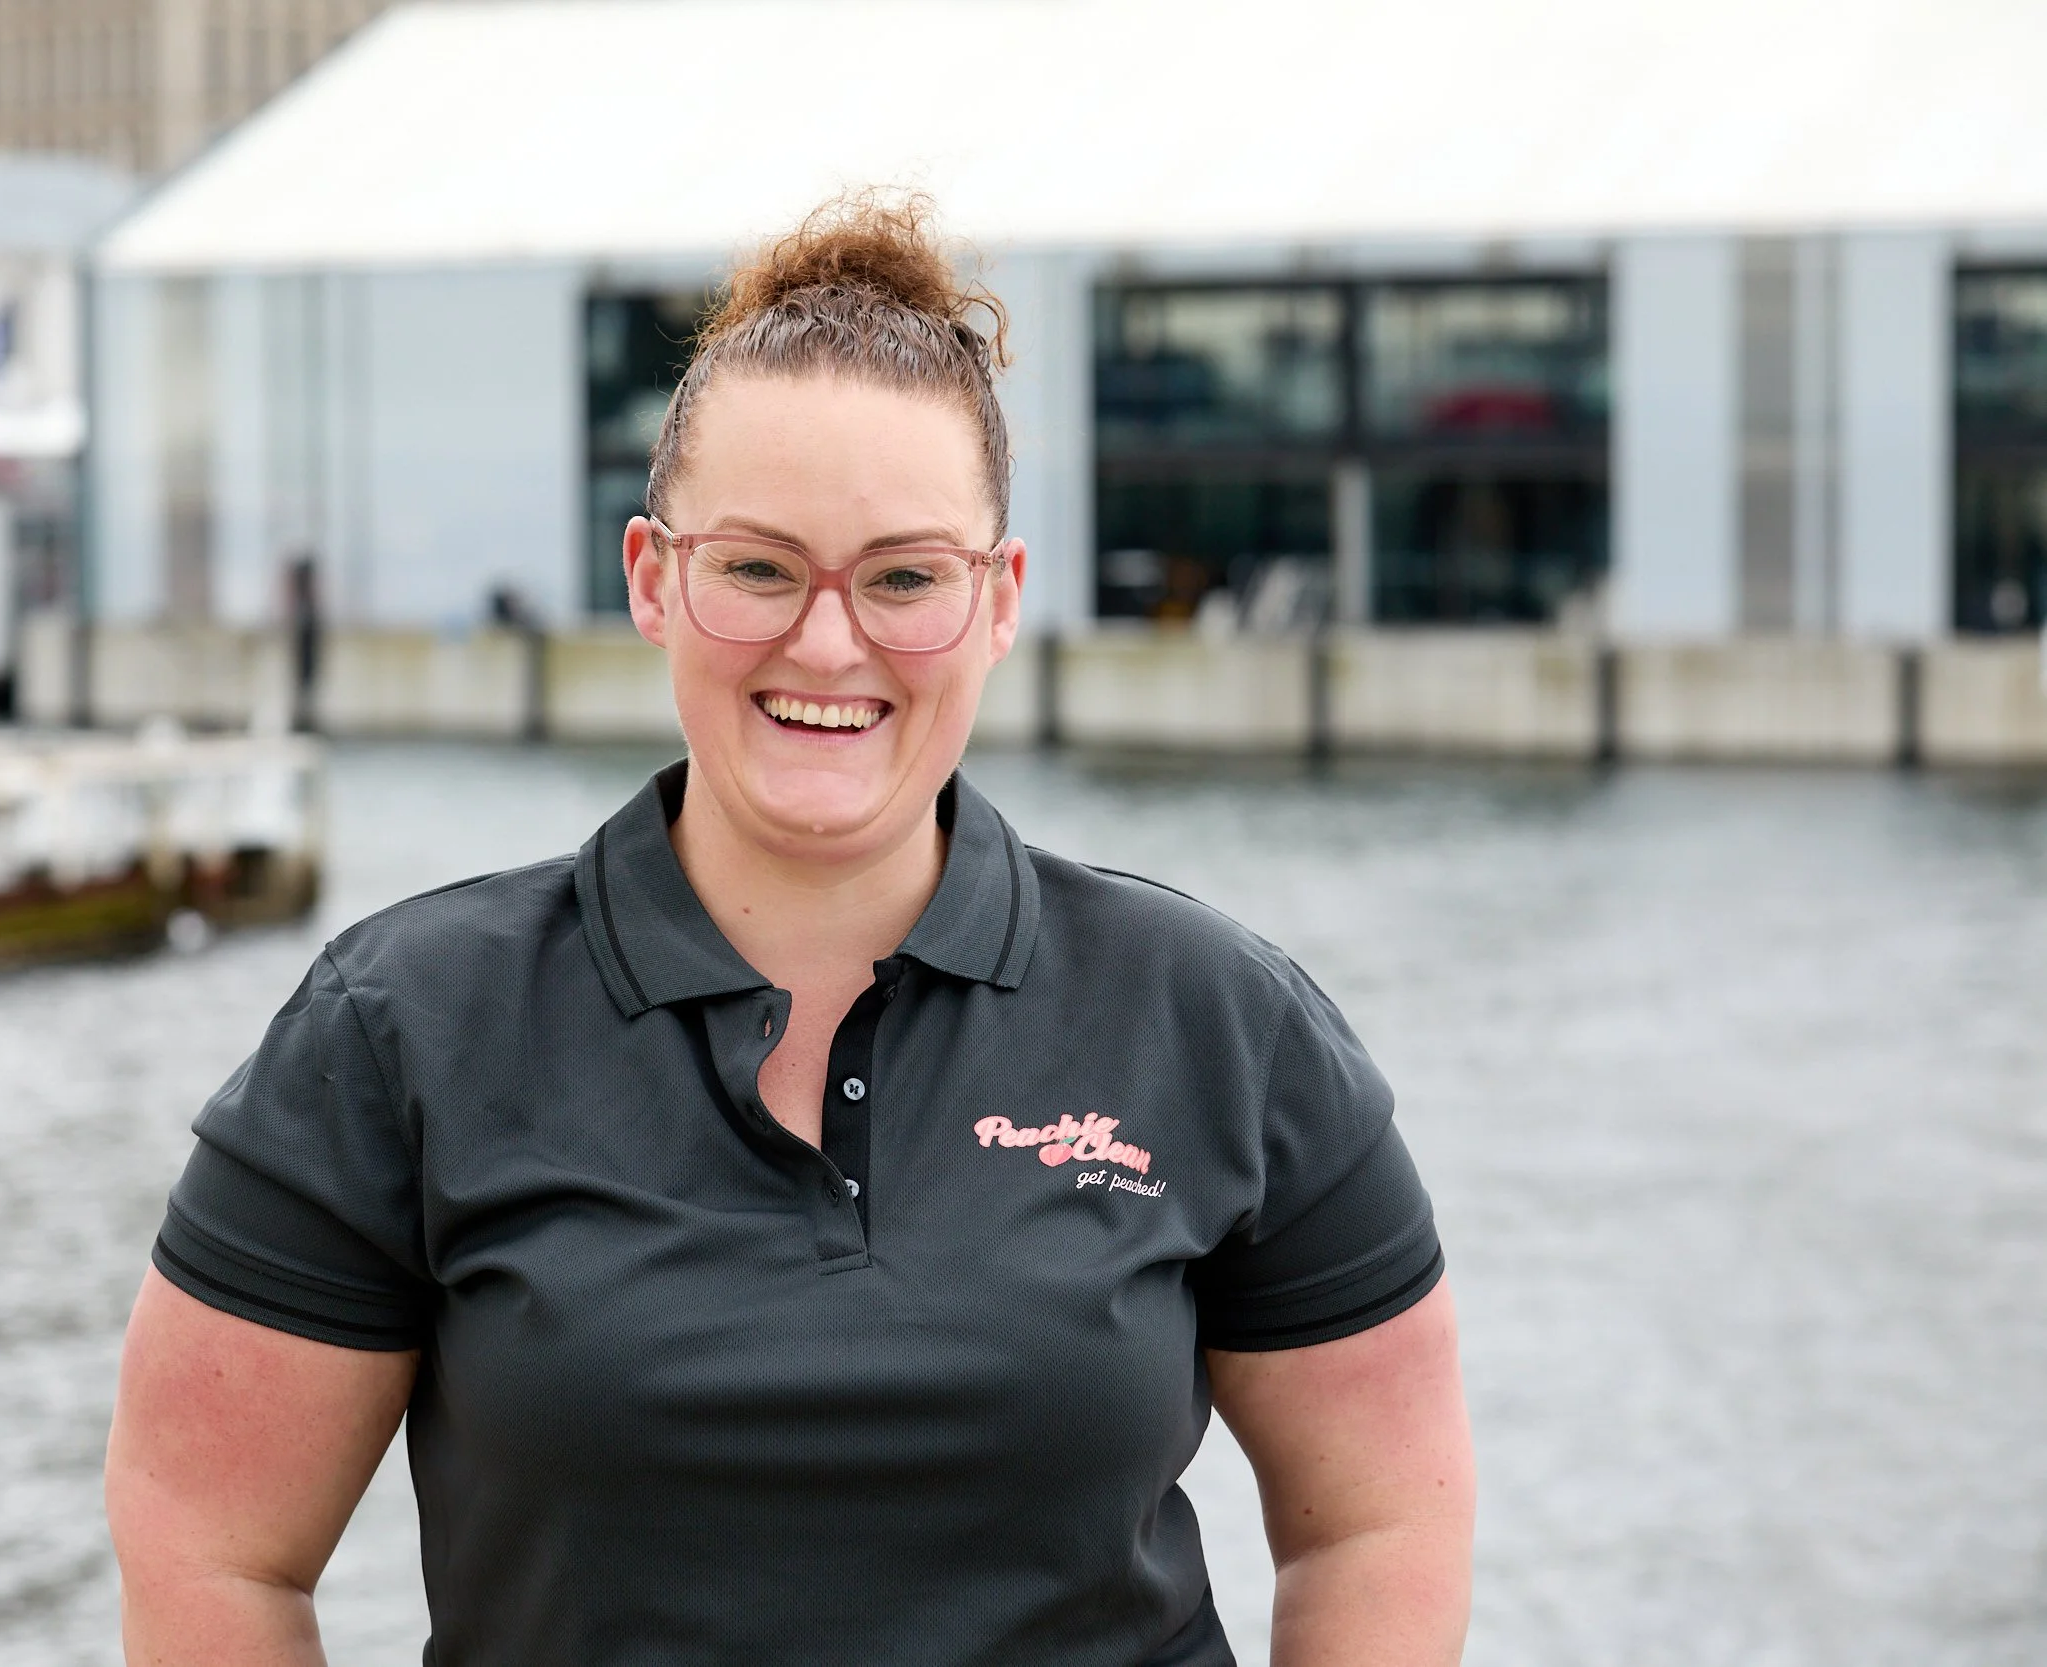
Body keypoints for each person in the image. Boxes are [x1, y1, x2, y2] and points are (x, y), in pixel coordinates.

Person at [105, 192, 1473, 1667]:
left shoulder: (1216, 1019)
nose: (830, 642)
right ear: (653, 578)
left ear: (998, 601)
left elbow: (1382, 1514)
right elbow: (208, 1541)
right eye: (758, 567)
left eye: (904, 577)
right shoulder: (402, 1027)